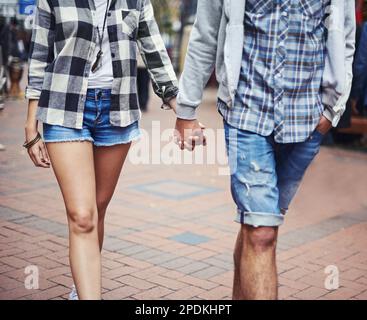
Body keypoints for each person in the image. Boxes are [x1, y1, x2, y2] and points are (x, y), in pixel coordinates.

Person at [175, 0, 355, 299]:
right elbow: (205, 32)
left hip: (307, 121)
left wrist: (332, 109)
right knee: (262, 231)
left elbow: (344, 35)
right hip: (247, 112)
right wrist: (186, 110)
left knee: (259, 224)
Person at [24, 0, 178, 300]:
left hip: (116, 110)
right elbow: (40, 54)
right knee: (82, 216)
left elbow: (154, 50)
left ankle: (82, 286)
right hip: (64, 107)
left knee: (97, 208)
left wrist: (183, 111)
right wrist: (31, 122)